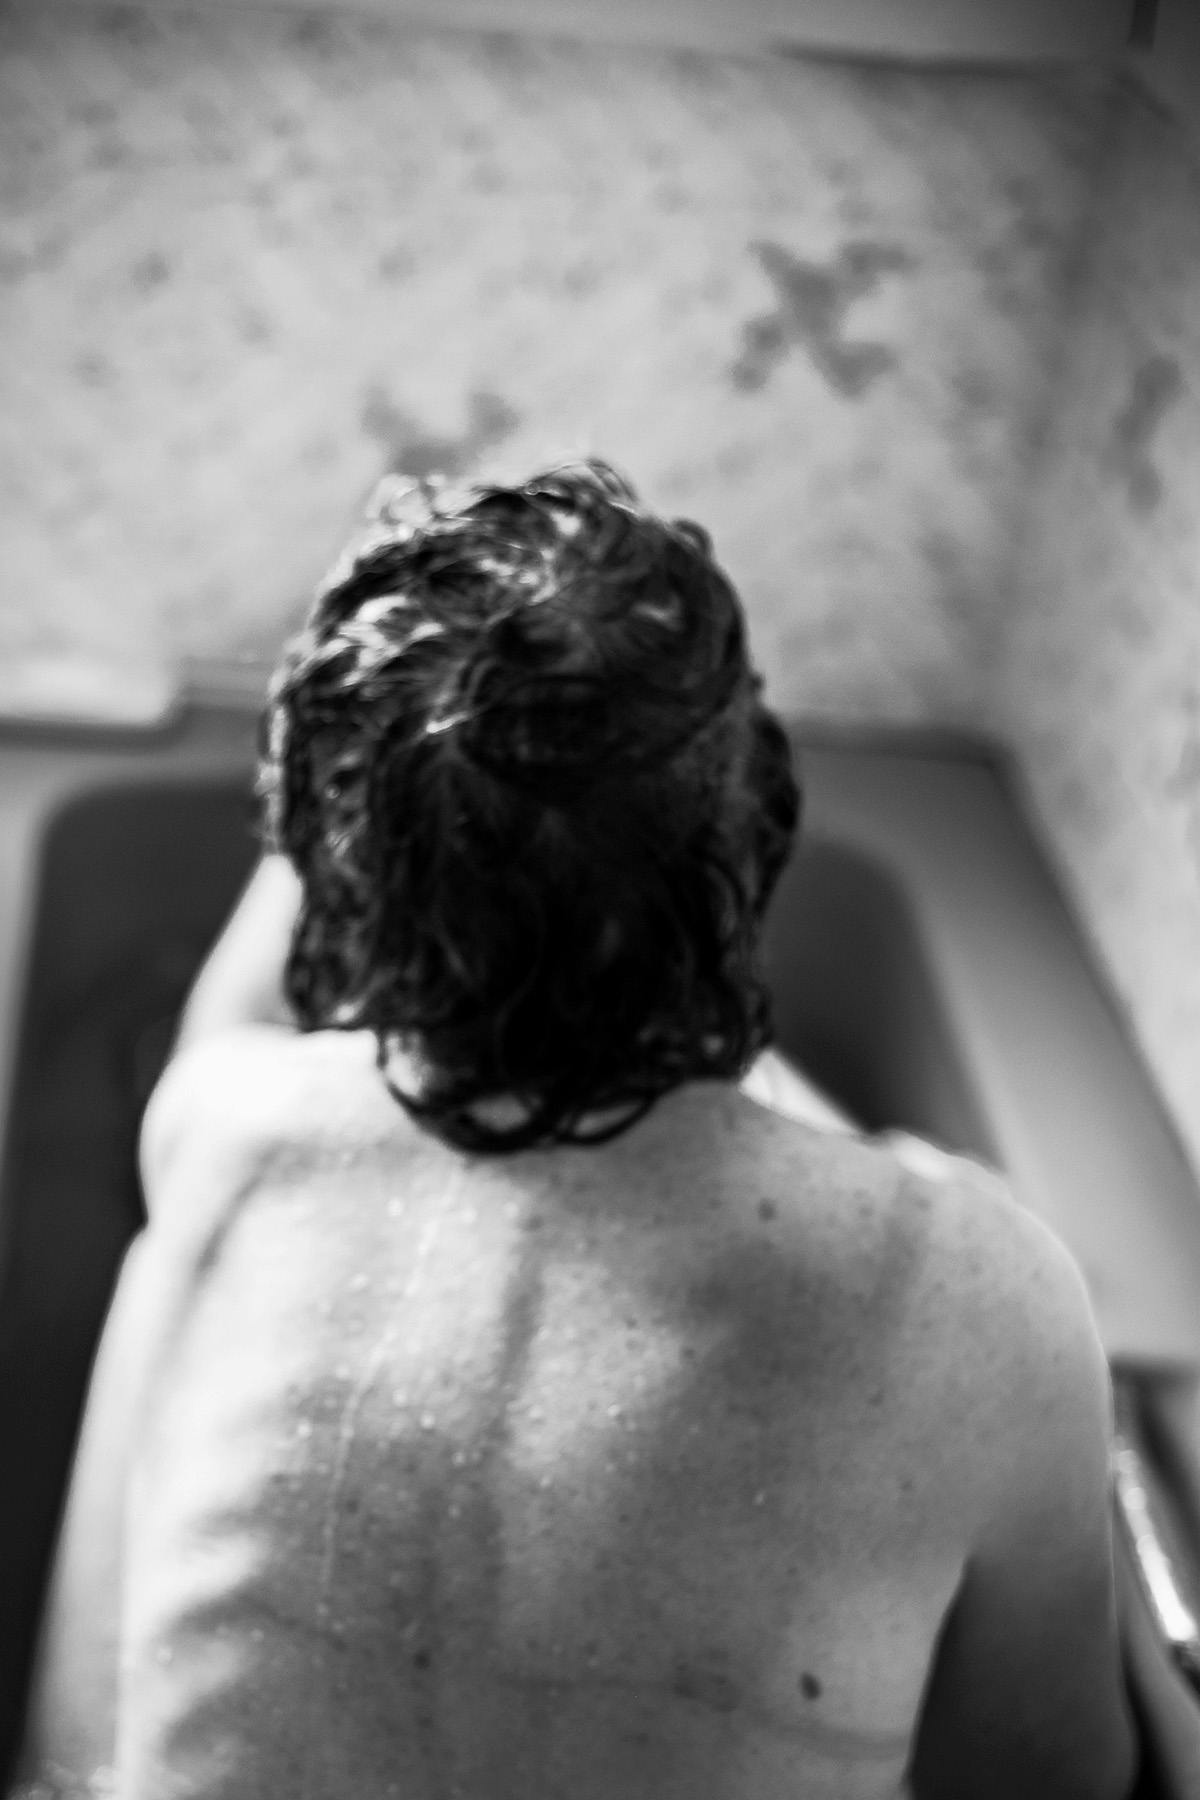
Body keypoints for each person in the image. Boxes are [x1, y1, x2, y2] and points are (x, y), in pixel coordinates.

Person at [20, 461, 1133, 1798]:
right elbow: (1051, 1784)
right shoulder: (972, 1293)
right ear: (757, 827)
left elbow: (236, 1038)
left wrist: (347, 743)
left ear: (337, 860)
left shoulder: (232, 1137)